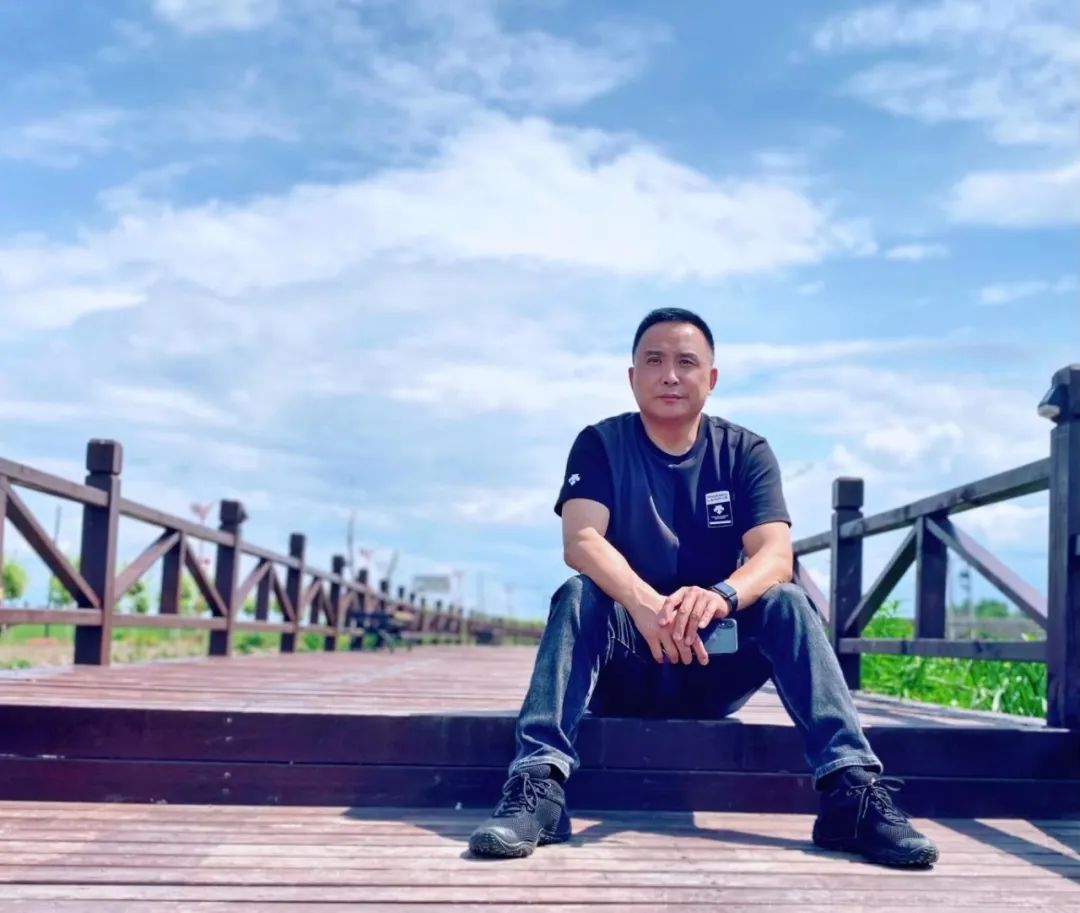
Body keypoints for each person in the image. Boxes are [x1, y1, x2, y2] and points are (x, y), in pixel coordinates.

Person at [467, 308, 939, 868]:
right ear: (632, 376)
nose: (670, 375)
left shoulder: (745, 452)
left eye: (686, 362)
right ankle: (538, 786)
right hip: (623, 666)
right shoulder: (600, 444)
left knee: (788, 601)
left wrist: (720, 596)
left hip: (715, 664)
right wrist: (644, 603)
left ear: (710, 378)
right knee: (577, 593)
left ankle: (851, 792)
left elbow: (775, 555)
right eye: (655, 361)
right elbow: (581, 539)